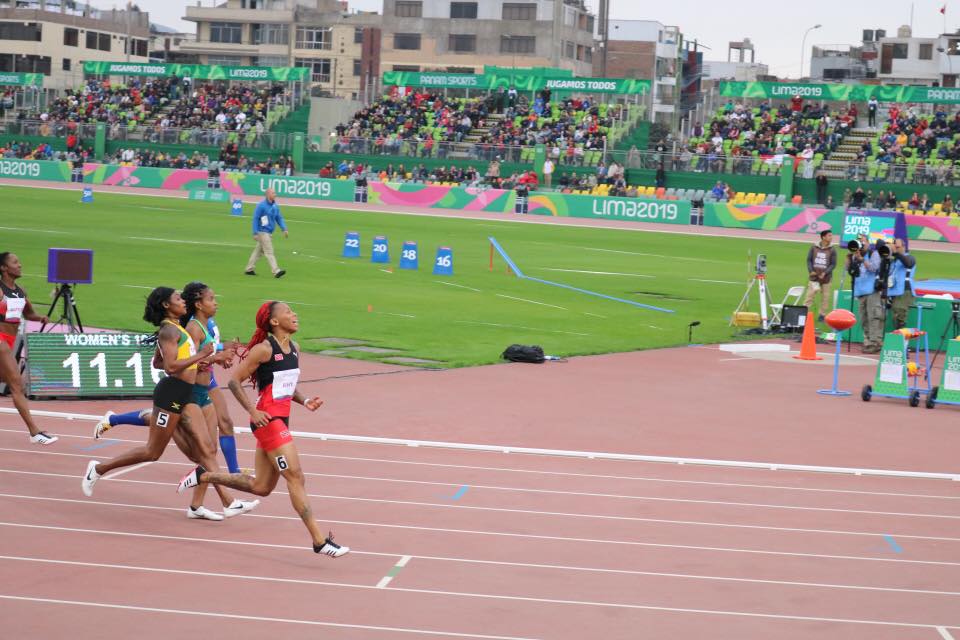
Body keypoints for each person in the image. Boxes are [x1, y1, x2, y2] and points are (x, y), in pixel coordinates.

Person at [177, 301, 349, 558]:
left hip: (281, 419)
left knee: (261, 487)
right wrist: (253, 412)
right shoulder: (264, 349)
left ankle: (204, 475)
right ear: (274, 321)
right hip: (267, 420)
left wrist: (305, 401)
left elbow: (286, 384)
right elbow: (234, 382)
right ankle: (319, 541)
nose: (294, 315)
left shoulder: (294, 348)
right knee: (295, 476)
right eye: (288, 312)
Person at [81, 288, 240, 521]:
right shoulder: (168, 331)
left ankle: (227, 502)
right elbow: (169, 367)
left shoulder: (177, 328)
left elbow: (157, 361)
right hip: (171, 394)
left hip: (186, 394)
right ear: (166, 305)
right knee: (153, 452)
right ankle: (97, 469)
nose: (183, 301)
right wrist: (203, 355)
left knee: (206, 450)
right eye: (178, 299)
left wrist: (208, 357)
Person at [180, 281, 259, 516]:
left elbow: (206, 355)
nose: (216, 303)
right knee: (154, 449)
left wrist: (220, 354)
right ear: (198, 304)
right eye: (211, 299)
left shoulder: (205, 326)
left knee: (210, 451)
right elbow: (187, 365)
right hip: (190, 394)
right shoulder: (193, 329)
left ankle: (196, 506)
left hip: (203, 394)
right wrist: (216, 358)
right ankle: (229, 502)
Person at [0, 252, 57, 445]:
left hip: (9, 340)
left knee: (8, 381)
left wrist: (40, 318)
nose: (20, 265)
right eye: (15, 262)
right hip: (0, 340)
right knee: (16, 384)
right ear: (3, 268)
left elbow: (28, 314)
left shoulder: (21, 291)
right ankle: (34, 432)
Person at [848, 238, 883, 353]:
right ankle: (867, 342)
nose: (862, 245)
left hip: (872, 290)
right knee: (864, 319)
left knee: (873, 317)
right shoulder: (854, 256)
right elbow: (850, 271)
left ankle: (875, 342)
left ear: (868, 243)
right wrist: (850, 258)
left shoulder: (873, 254)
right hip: (860, 291)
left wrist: (862, 260)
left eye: (863, 242)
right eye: (860, 242)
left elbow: (874, 268)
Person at [245, 188, 287, 278]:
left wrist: (284, 228)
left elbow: (279, 218)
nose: (275, 194)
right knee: (269, 251)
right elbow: (255, 219)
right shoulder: (261, 206)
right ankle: (276, 271)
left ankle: (249, 269)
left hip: (268, 232)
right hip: (262, 232)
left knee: (258, 252)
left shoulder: (275, 206)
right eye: (273, 193)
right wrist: (255, 232)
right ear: (268, 195)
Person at [804, 230, 837, 321]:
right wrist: (811, 271)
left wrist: (825, 273)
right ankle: (804, 313)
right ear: (823, 237)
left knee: (825, 297)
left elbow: (833, 264)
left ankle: (822, 315)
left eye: (831, 235)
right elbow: (809, 260)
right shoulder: (814, 247)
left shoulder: (832, 249)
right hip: (814, 278)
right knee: (809, 296)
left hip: (826, 279)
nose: (831, 237)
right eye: (829, 235)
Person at [888, 238, 917, 330]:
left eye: (897, 247)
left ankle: (900, 336)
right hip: (893, 291)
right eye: (893, 247)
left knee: (899, 314)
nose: (895, 249)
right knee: (895, 316)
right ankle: (898, 335)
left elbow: (908, 264)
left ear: (904, 247)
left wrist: (896, 253)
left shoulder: (910, 257)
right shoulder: (893, 260)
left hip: (904, 290)